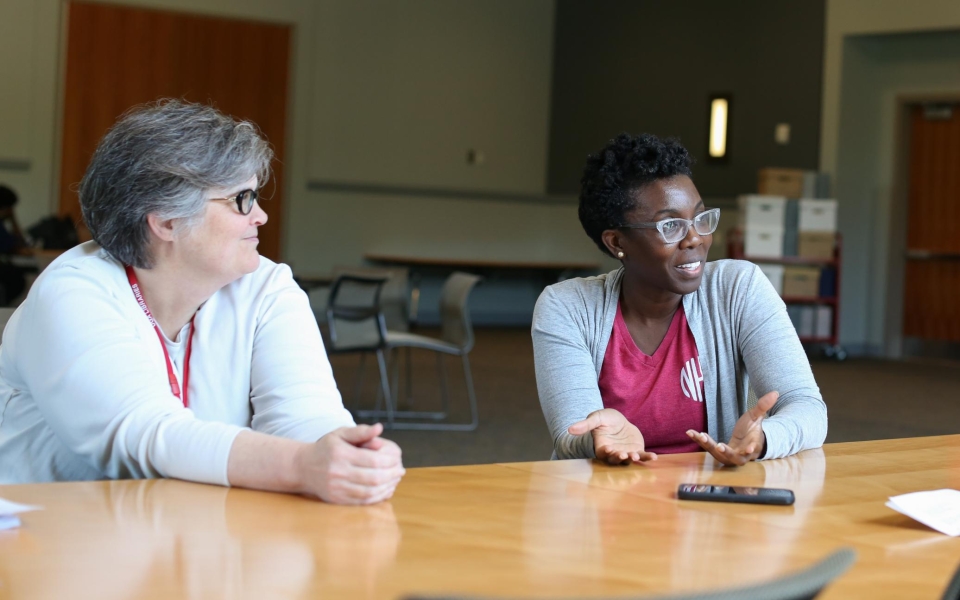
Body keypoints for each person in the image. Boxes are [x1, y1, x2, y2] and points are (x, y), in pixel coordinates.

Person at [0, 100, 405, 504]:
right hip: (50, 541)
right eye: (241, 199)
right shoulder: (73, 292)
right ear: (167, 221)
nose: (261, 216)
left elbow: (304, 417)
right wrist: (302, 466)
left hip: (191, 530)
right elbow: (145, 438)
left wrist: (347, 453)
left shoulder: (266, 286)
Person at [532, 133, 826, 466]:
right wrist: (595, 438)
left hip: (708, 503)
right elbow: (570, 435)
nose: (695, 238)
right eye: (670, 225)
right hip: (604, 500)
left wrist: (765, 438)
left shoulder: (738, 288)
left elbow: (806, 406)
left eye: (701, 218)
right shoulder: (567, 307)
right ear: (616, 242)